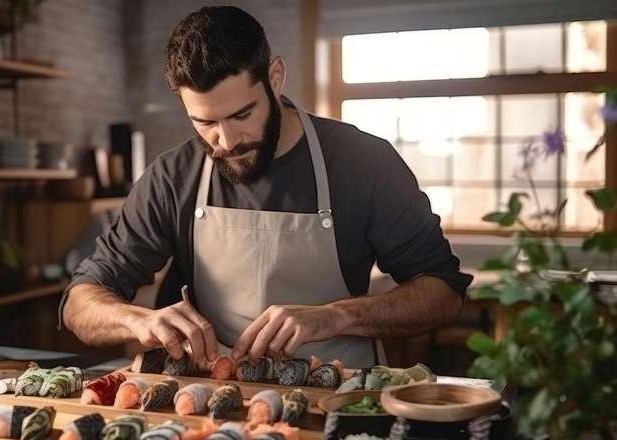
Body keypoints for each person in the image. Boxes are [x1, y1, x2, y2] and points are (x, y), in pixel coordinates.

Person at [61, 6, 472, 368]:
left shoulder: (365, 163)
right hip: (217, 397)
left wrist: (337, 316)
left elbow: (442, 293)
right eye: (204, 123)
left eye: (242, 114)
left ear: (274, 78)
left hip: (340, 395)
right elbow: (81, 302)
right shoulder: (173, 176)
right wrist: (139, 320)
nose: (226, 140)